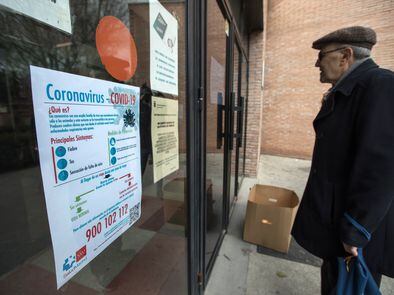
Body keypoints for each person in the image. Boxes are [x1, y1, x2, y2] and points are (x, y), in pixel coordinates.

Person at [291, 26, 394, 294]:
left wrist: (356, 230)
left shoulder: (380, 86)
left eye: (322, 55)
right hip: (336, 222)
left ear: (345, 55)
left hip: (356, 231)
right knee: (335, 283)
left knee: (350, 286)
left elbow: (381, 169)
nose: (317, 63)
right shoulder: (349, 88)